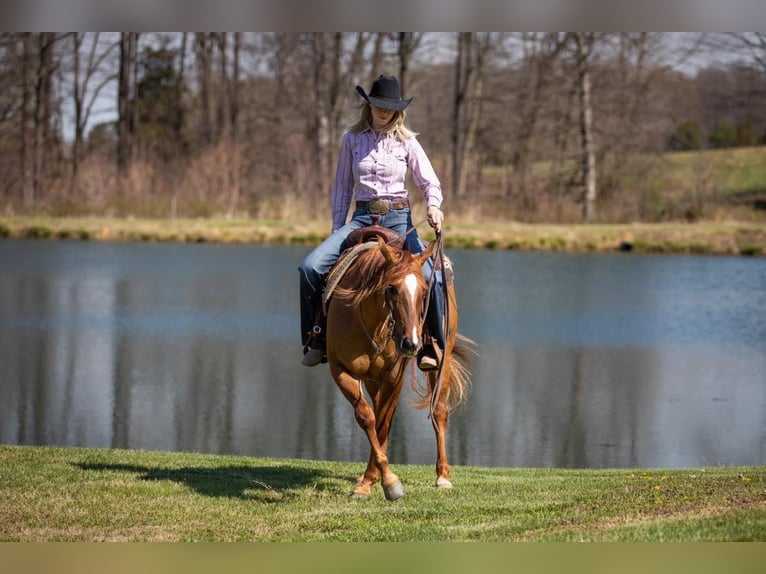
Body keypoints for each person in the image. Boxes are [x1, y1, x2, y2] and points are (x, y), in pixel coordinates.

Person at [299, 74, 446, 370]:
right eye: (379, 105)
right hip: (362, 219)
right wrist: (337, 231)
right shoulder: (351, 140)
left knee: (435, 277)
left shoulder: (408, 143)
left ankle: (431, 343)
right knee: (311, 267)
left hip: (400, 220)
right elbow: (342, 188)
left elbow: (431, 183)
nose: (384, 111)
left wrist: (434, 206)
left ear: (398, 110)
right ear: (369, 105)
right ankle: (316, 338)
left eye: (390, 107)